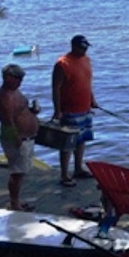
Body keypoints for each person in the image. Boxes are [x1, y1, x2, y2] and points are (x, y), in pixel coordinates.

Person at [51, 34, 98, 186]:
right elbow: (56, 89)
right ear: (73, 46)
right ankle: (64, 175)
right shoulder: (62, 64)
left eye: (86, 48)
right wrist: (57, 111)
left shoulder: (86, 60)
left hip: (85, 108)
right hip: (69, 110)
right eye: (81, 48)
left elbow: (86, 82)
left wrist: (92, 99)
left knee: (82, 139)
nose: (84, 51)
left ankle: (78, 168)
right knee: (67, 143)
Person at [0, 63, 41, 211]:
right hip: (17, 139)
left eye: (21, 78)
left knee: (21, 172)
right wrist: (17, 140)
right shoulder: (4, 96)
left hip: (27, 138)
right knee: (17, 172)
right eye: (17, 78)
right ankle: (14, 203)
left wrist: (33, 111)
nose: (20, 81)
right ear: (8, 78)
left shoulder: (16, 92)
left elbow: (21, 111)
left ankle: (17, 200)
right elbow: (7, 121)